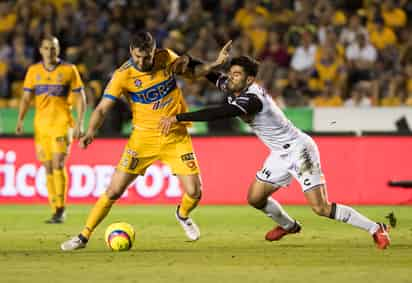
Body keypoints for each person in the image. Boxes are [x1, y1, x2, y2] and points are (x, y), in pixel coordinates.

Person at [159, 55, 391, 249]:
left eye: (236, 74)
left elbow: (218, 113)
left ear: (249, 79)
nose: (230, 77)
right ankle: (290, 226)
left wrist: (179, 117)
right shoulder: (233, 86)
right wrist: (189, 59)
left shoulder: (253, 99)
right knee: (255, 198)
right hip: (279, 153)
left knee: (321, 208)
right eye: (230, 72)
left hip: (300, 150)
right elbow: (209, 74)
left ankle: (375, 228)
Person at [60, 31, 231, 251]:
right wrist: (91, 132)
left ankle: (183, 214)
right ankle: (83, 237)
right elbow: (103, 108)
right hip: (142, 138)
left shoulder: (166, 57)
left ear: (154, 50)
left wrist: (216, 63)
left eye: (147, 56)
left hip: (175, 135)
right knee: (113, 191)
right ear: (131, 51)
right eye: (138, 56)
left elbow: (192, 73)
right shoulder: (123, 75)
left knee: (195, 192)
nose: (143, 61)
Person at [15, 36, 86, 223]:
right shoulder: (33, 71)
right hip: (41, 126)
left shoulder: (69, 70)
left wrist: (80, 123)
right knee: (47, 167)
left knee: (58, 164)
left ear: (58, 49)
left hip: (62, 124)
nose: (50, 52)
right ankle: (55, 208)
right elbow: (26, 98)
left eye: (53, 48)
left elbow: (81, 97)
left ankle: (61, 208)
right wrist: (21, 120)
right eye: (46, 48)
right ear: (40, 50)